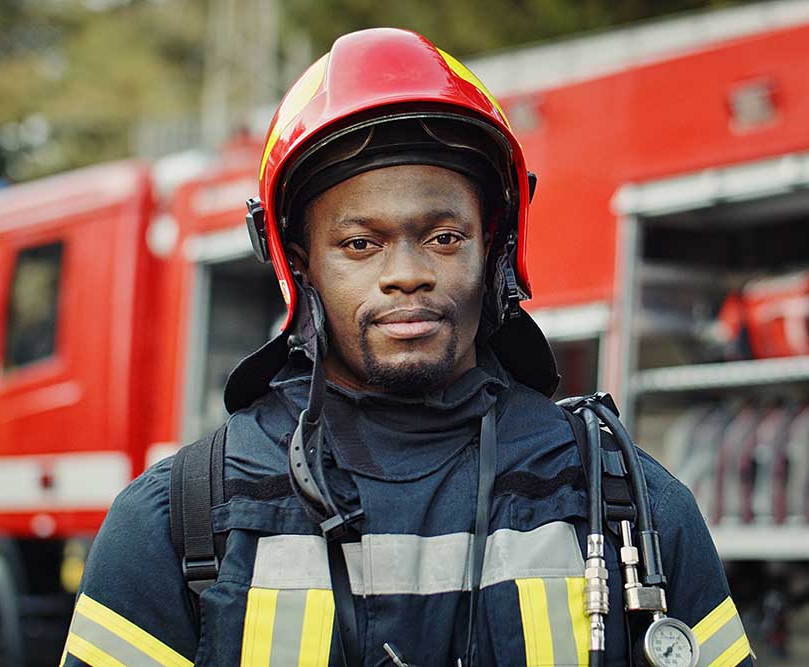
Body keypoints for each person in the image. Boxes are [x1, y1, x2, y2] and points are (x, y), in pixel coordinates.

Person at [61, 28, 753, 667]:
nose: (407, 272)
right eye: (359, 243)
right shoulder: (177, 521)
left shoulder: (629, 504)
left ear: (495, 248)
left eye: (443, 237)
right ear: (298, 263)